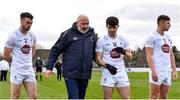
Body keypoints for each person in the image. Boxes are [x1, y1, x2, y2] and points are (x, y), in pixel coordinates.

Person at [45, 14, 97, 99]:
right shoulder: (67, 34)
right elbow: (55, 50)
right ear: (77, 23)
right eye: (83, 24)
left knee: (81, 98)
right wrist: (49, 67)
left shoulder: (92, 35)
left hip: (85, 74)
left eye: (87, 24)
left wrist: (105, 64)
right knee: (74, 97)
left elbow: (96, 53)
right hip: (71, 73)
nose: (86, 26)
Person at [95, 16, 132, 99]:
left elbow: (130, 57)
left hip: (121, 72)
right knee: (107, 98)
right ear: (106, 26)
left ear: (118, 26)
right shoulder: (101, 41)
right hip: (108, 72)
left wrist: (123, 52)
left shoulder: (123, 39)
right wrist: (107, 66)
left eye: (114, 27)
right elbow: (98, 58)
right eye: (109, 27)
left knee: (126, 98)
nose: (112, 30)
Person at [3, 12, 37, 99]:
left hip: (29, 70)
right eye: (27, 23)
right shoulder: (13, 36)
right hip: (17, 70)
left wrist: (27, 61)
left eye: (31, 23)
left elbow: (33, 50)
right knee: (15, 96)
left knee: (33, 96)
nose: (29, 25)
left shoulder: (32, 36)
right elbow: (5, 54)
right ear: (21, 21)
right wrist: (16, 61)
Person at [145, 15, 177, 99]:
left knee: (163, 97)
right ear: (162, 23)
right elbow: (149, 55)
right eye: (168, 23)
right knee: (154, 96)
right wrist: (153, 71)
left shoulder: (168, 38)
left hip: (167, 71)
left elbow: (171, 55)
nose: (170, 25)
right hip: (157, 70)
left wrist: (174, 70)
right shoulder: (151, 37)